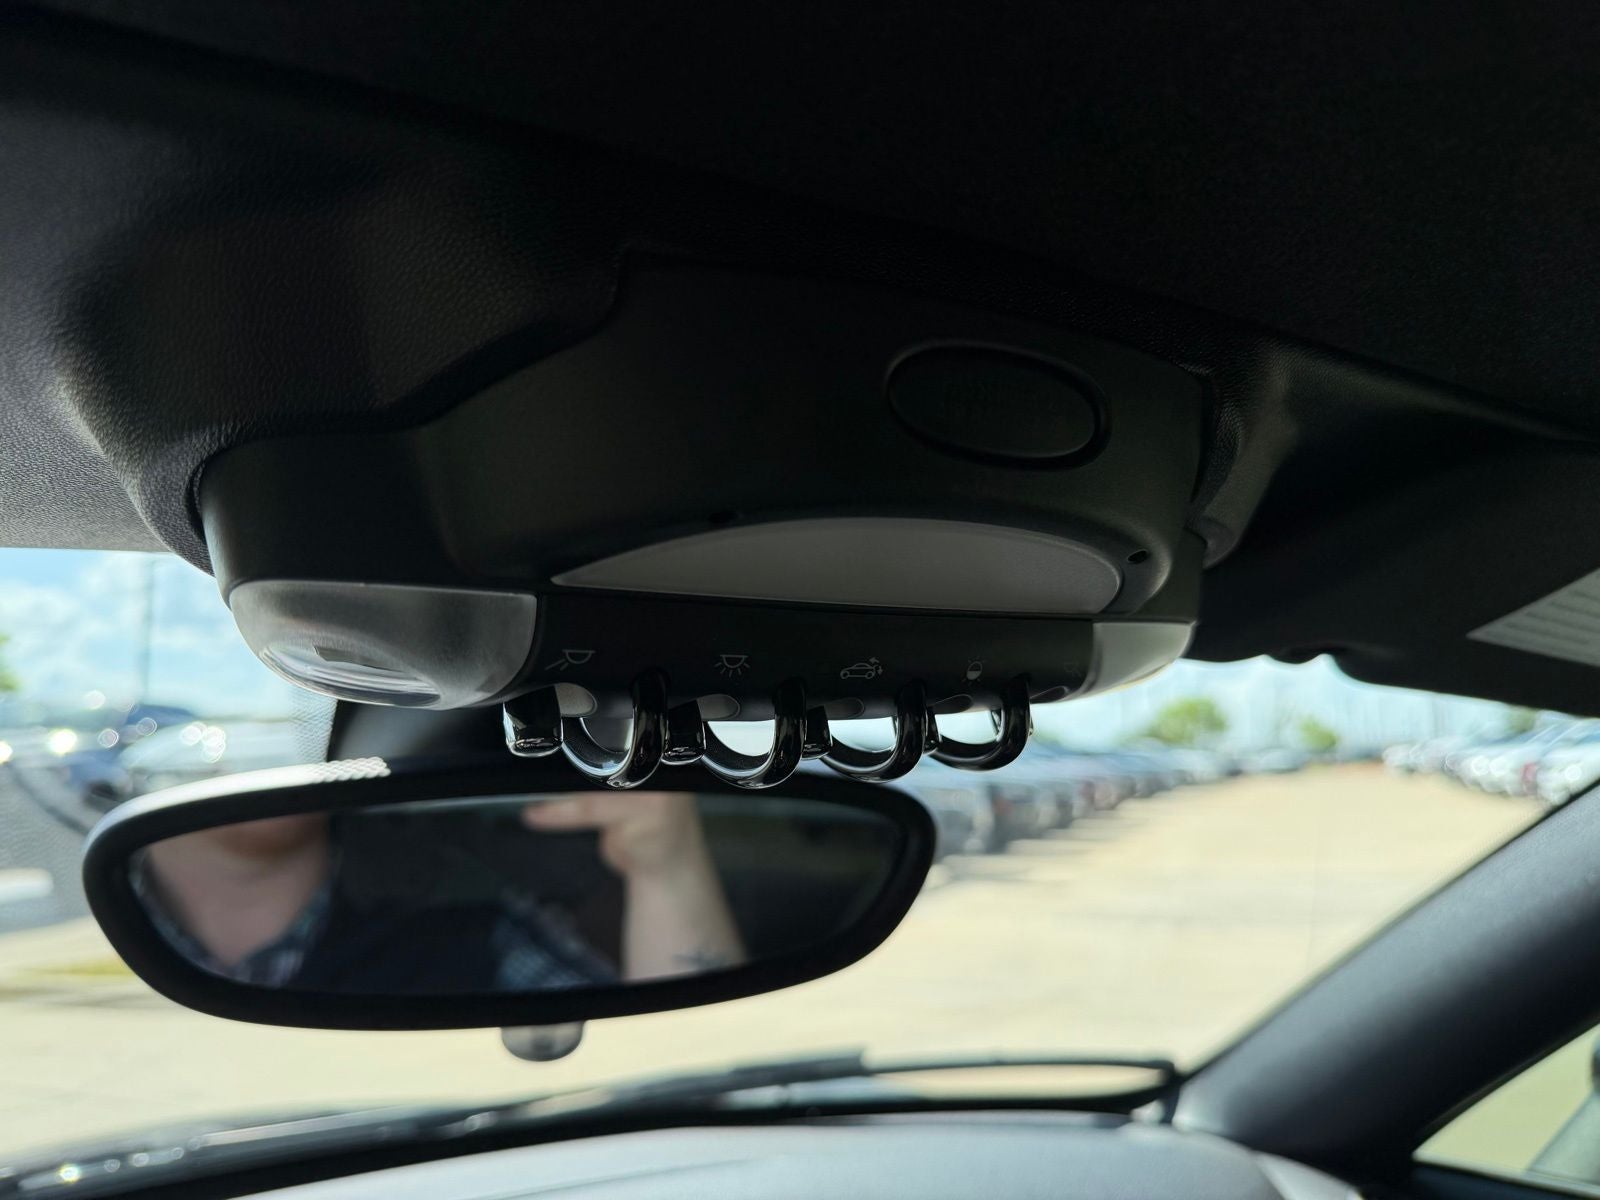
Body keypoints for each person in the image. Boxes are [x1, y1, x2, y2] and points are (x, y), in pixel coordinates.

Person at [133, 792, 746, 994]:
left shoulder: (467, 932)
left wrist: (666, 870)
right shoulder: (109, 951)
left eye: (297, 710)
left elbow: (681, 1067)